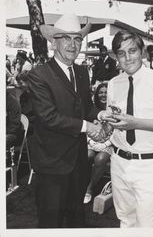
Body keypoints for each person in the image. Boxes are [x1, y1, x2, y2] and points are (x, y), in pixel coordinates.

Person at [27, 13, 111, 228]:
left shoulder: (82, 72)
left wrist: (100, 115)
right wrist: (88, 126)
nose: (73, 45)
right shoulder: (39, 75)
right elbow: (48, 117)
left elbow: (85, 106)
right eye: (66, 39)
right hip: (52, 163)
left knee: (76, 220)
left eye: (77, 39)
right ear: (54, 43)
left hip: (78, 162)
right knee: (51, 222)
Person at [100, 31, 153, 227]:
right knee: (126, 221)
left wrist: (136, 123)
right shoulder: (113, 84)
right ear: (116, 57)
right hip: (119, 161)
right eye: (121, 53)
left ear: (142, 52)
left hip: (150, 164)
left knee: (147, 225)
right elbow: (113, 120)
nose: (127, 58)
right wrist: (104, 124)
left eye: (132, 51)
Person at [84, 82, 113, 204]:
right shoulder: (91, 108)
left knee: (100, 159)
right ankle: (81, 184)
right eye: (101, 92)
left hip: (109, 144)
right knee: (87, 155)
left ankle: (89, 188)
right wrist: (91, 141)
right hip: (91, 141)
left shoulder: (114, 109)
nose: (103, 95)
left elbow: (117, 132)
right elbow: (85, 128)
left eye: (106, 92)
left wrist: (104, 145)